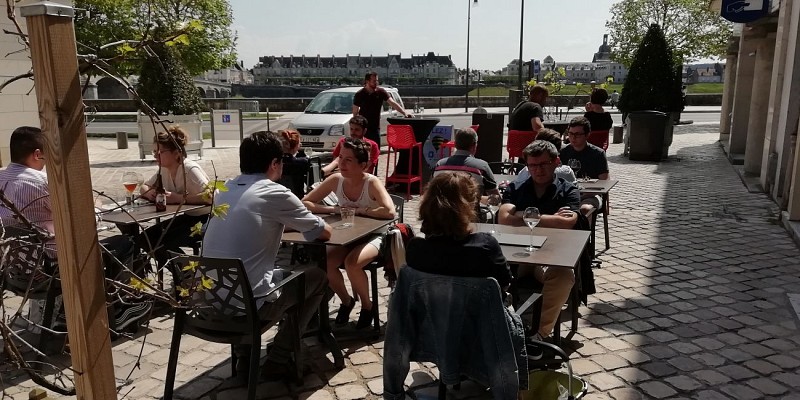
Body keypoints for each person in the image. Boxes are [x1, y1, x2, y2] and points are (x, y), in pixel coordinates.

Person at [202, 131, 333, 380]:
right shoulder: (274, 192)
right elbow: (322, 232)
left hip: (211, 303)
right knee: (317, 278)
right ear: (274, 163)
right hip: (249, 309)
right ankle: (279, 357)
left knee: (245, 275)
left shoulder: (224, 190)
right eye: (281, 161)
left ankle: (244, 358)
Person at [0, 126, 151, 332]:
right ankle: (118, 310)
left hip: (14, 268)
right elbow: (81, 223)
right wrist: (94, 208)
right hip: (49, 268)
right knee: (125, 242)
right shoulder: (42, 183)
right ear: (37, 154)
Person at [404, 171, 525, 396]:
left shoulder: (415, 250)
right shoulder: (485, 247)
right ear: (469, 206)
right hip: (483, 333)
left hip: (431, 329)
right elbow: (505, 284)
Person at [302, 138, 396, 329]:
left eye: (348, 160)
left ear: (363, 165)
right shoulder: (336, 180)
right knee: (326, 264)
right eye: (340, 158)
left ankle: (368, 308)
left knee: (352, 264)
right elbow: (304, 203)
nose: (341, 164)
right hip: (348, 236)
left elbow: (390, 212)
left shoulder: (371, 182)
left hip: (376, 235)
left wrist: (362, 211)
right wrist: (334, 210)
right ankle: (346, 301)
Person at [498, 140, 580, 341]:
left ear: (556, 162)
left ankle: (538, 336)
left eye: (543, 164)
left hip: (549, 257)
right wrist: (551, 218)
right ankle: (495, 330)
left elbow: (568, 223)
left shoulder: (568, 190)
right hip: (515, 255)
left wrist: (521, 215)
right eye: (532, 165)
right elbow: (503, 218)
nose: (537, 170)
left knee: (564, 276)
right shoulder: (516, 188)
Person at [138, 126, 211, 266]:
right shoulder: (164, 169)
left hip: (206, 220)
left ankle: (186, 276)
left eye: (159, 152)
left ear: (176, 153)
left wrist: (178, 198)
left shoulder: (189, 169)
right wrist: (151, 193)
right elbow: (144, 186)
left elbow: (211, 197)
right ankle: (185, 274)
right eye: (154, 152)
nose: (155, 156)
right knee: (145, 238)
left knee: (161, 242)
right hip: (187, 218)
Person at [559, 116, 610, 216]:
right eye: (571, 134)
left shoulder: (597, 154)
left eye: (577, 134)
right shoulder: (563, 152)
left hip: (590, 195)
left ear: (587, 135)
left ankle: (586, 231)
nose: (573, 138)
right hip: (568, 194)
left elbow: (604, 183)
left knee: (585, 209)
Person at [434, 127, 499, 199]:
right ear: (474, 145)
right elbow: (495, 197)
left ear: (455, 144)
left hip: (443, 209)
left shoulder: (439, 165)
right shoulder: (482, 167)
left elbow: (432, 191)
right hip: (469, 209)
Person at [352, 72, 411, 147]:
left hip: (375, 127)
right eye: (374, 81)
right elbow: (355, 111)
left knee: (376, 150)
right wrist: (356, 127)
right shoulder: (360, 94)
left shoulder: (381, 92)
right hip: (363, 128)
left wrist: (404, 112)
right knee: (363, 151)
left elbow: (392, 103)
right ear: (367, 81)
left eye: (377, 80)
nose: (376, 83)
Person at [277, 129, 312, 198]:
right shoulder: (302, 162)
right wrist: (335, 162)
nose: (300, 145)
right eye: (299, 143)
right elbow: (314, 179)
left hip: (277, 197)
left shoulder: (274, 163)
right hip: (296, 198)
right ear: (293, 146)